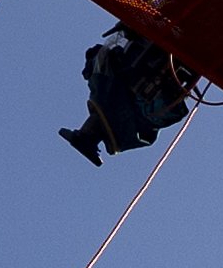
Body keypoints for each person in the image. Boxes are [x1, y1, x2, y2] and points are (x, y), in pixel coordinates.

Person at [61, 25, 196, 166]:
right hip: (165, 47)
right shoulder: (103, 91)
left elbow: (101, 54)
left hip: (174, 56)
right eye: (86, 129)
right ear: (94, 130)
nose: (86, 124)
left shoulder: (135, 132)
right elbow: (101, 55)